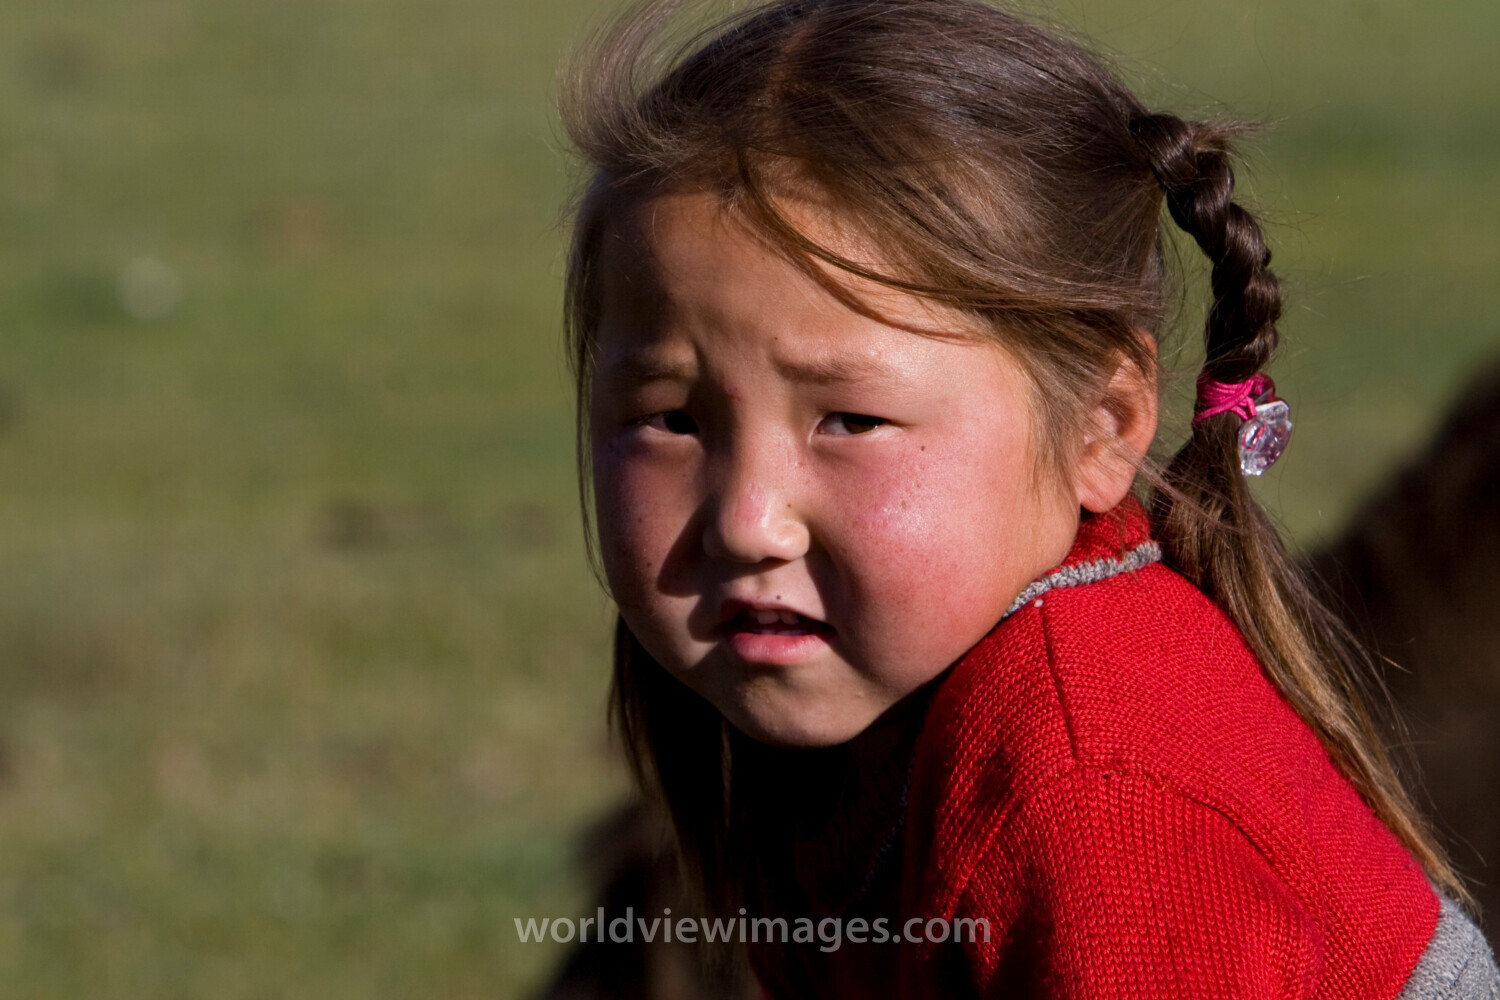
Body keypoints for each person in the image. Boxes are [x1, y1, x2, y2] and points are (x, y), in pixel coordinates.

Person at [556, 0, 1500, 996]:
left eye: (851, 421)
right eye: (672, 419)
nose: (748, 518)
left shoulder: (1099, 797)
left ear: (1101, 425)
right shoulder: (848, 707)